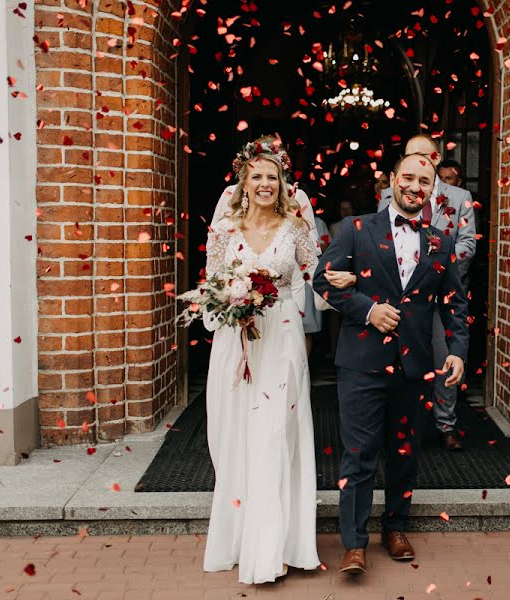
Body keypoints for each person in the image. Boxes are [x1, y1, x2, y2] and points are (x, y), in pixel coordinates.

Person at [313, 152, 470, 575]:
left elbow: (454, 302)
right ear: (392, 180)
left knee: (404, 451)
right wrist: (368, 310)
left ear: (432, 190)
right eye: (409, 178)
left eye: (425, 181)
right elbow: (323, 278)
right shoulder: (356, 228)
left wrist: (456, 349)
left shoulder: (442, 241)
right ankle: (354, 542)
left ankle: (396, 526)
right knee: (359, 453)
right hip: (361, 362)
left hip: (414, 364)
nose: (415, 187)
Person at [202, 138, 321, 584]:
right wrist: (232, 301)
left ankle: (276, 544)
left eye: (273, 176)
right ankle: (239, 535)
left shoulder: (296, 228)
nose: (266, 183)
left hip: (282, 341)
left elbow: (317, 276)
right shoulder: (224, 232)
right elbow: (213, 286)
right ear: (244, 182)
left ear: (283, 182)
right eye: (258, 176)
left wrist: (349, 289)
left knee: (276, 435)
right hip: (237, 344)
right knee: (235, 435)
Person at [378, 135, 476, 451]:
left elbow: (467, 244)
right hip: (400, 298)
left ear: (436, 157)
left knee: (443, 357)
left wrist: (434, 270)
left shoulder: (459, 197)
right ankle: (397, 424)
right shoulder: (387, 195)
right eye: (412, 155)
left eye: (426, 154)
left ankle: (446, 423)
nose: (421, 159)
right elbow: (381, 240)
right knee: (395, 361)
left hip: (440, 294)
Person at [302, 215, 330, 356]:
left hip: (309, 273)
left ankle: (305, 368)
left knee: (307, 325)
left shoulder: (318, 223)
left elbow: (326, 245)